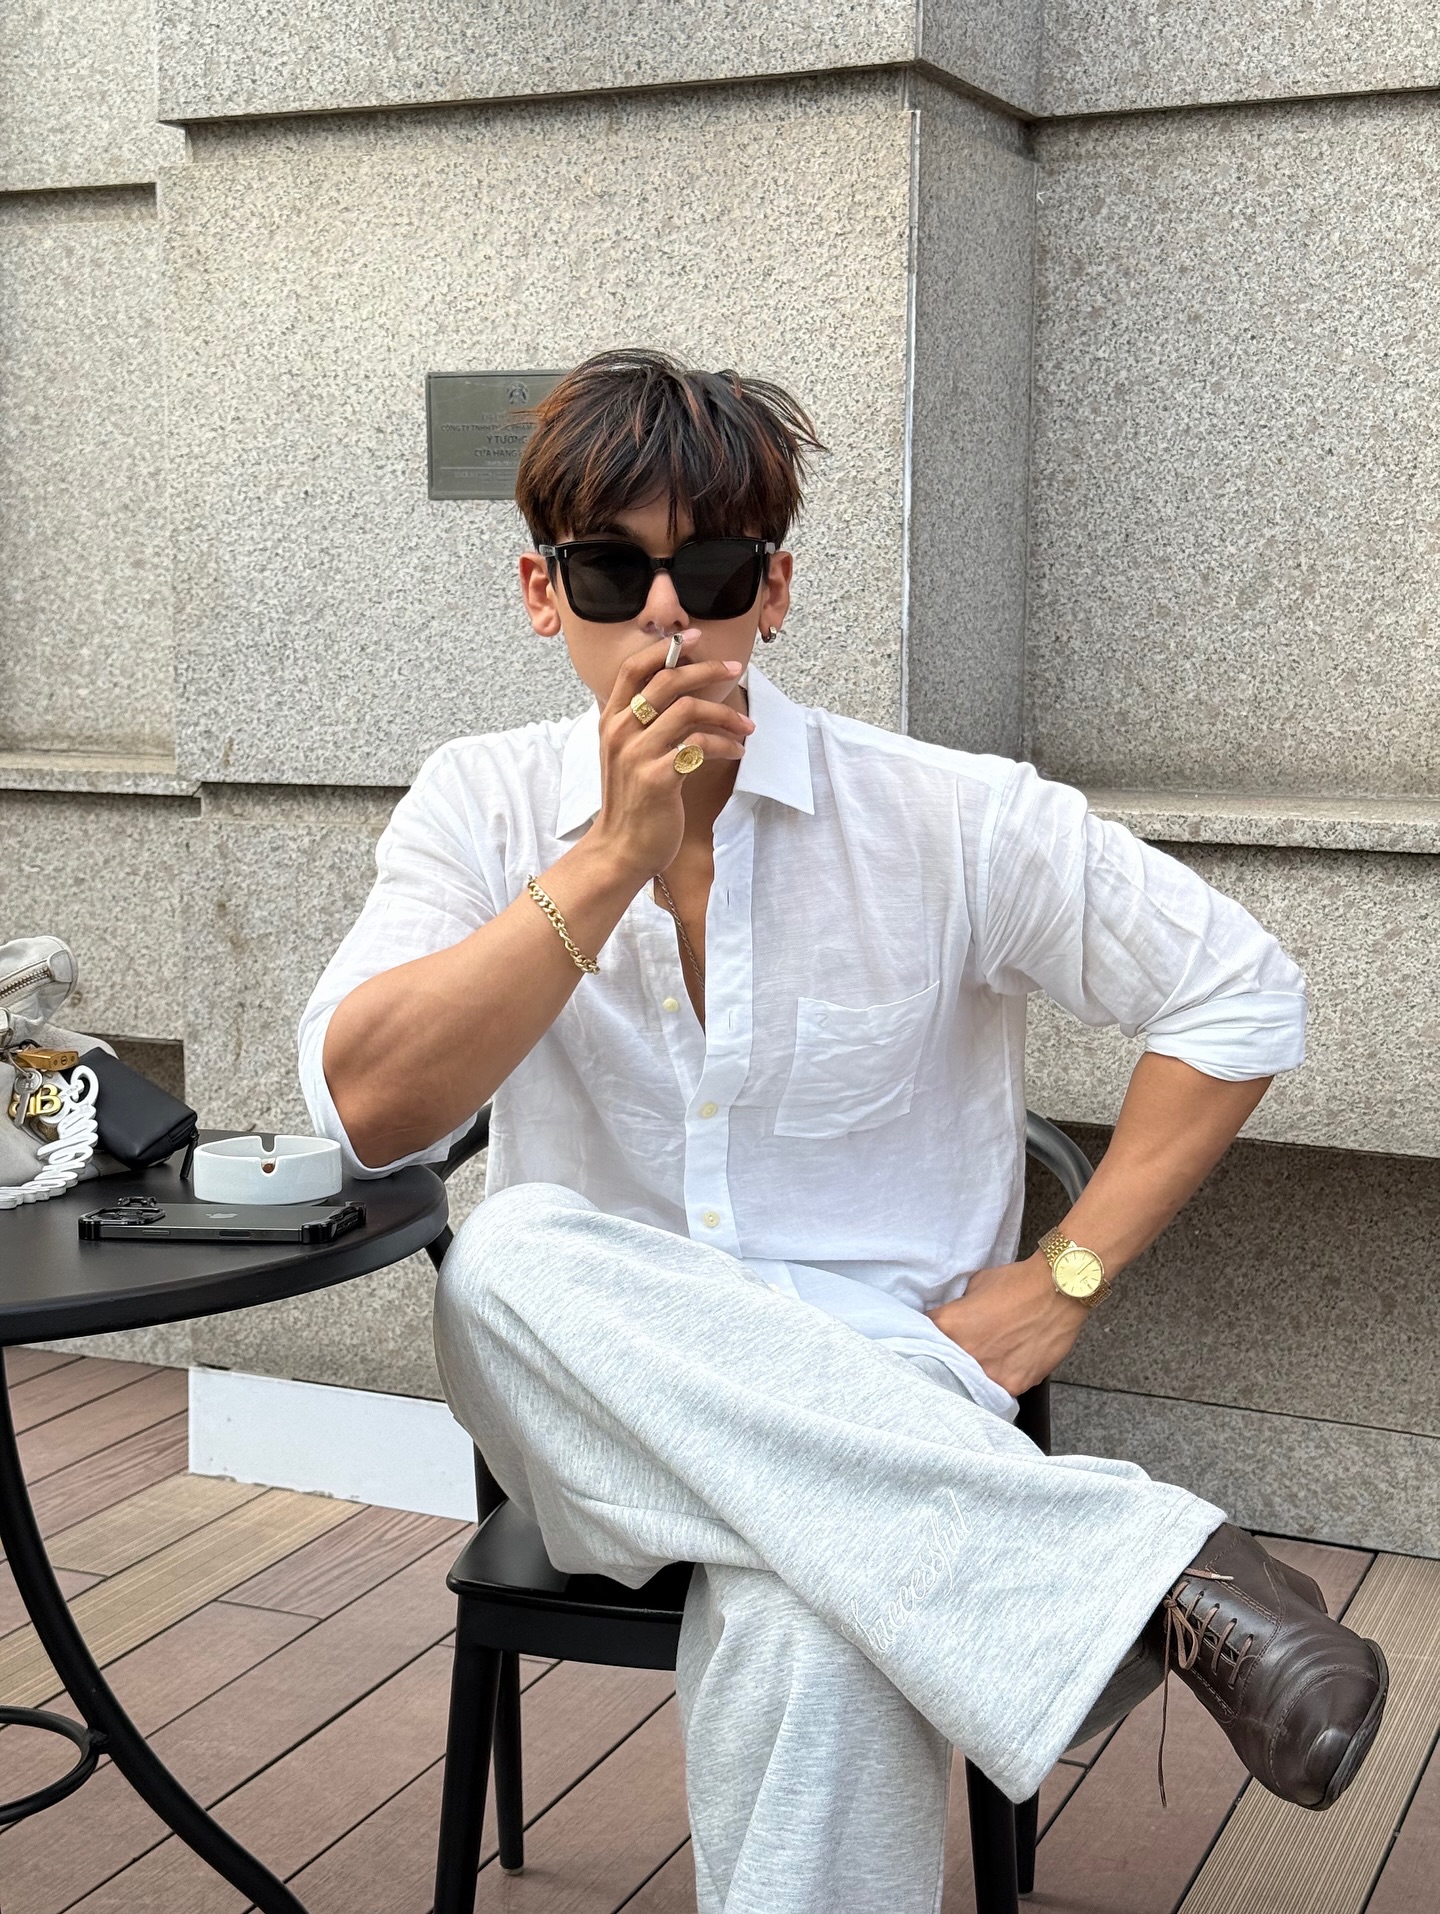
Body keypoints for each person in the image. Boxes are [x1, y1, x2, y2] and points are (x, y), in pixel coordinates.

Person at [299, 349, 1386, 1914]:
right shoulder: (477, 805)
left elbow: (1240, 990)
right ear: (544, 595)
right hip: (594, 1403)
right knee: (510, 1256)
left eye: (713, 571)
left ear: (775, 590)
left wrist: (1063, 1277)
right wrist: (610, 858)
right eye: (610, 571)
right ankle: (1136, 1571)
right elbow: (368, 1108)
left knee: (817, 1600)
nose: (666, 618)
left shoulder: (947, 816)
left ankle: (1082, 1576)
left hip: (894, 1375)